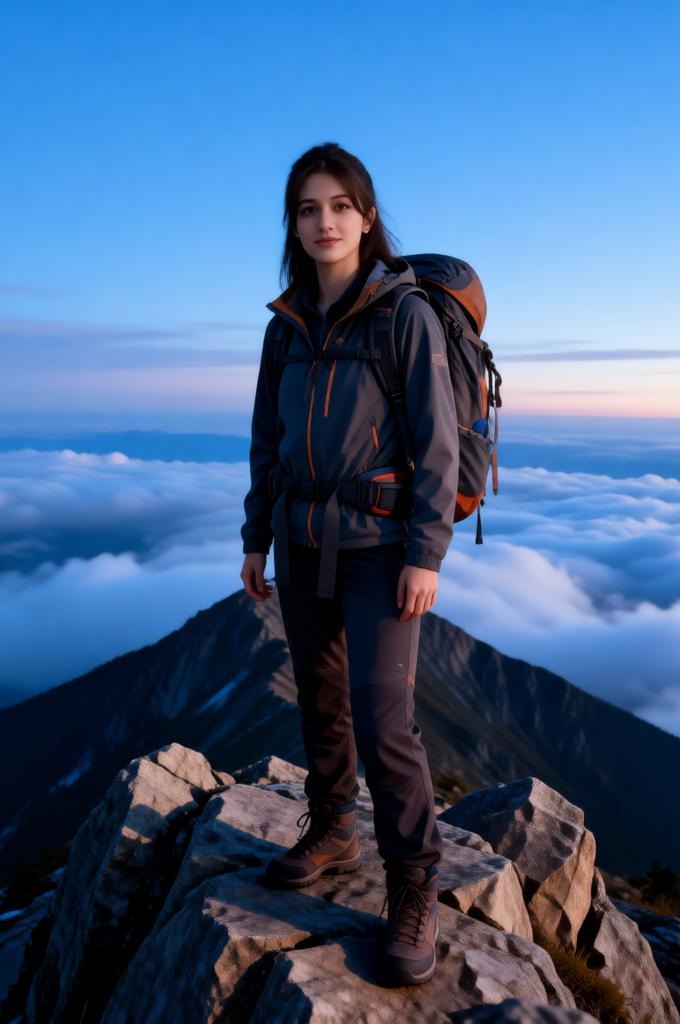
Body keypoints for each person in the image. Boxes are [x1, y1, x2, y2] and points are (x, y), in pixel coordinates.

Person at [239, 141, 459, 987]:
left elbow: (437, 446)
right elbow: (267, 441)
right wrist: (256, 535)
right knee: (321, 698)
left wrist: (425, 553)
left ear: (366, 218)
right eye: (307, 207)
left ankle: (414, 890)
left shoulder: (402, 315)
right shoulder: (283, 326)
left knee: (383, 719)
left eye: (340, 205)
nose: (324, 221)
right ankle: (332, 828)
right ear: (292, 224)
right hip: (298, 540)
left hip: (381, 548)